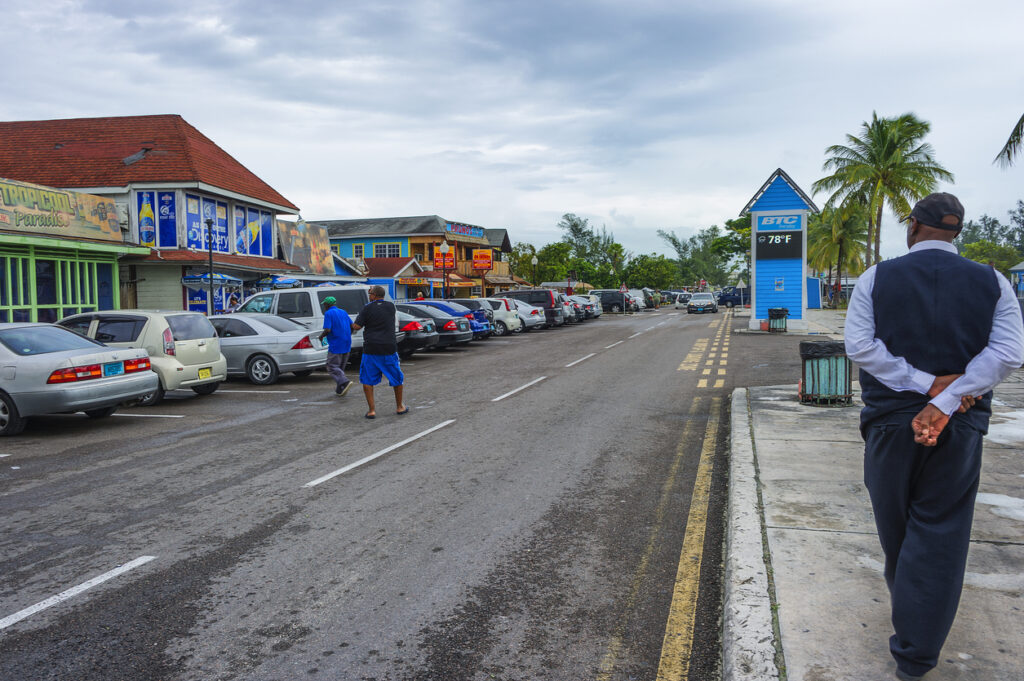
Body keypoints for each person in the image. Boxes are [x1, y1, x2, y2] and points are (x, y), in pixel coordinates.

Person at [844, 193, 1024, 680]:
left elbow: (860, 345)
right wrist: (950, 395)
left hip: (889, 424)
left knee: (898, 532)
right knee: (940, 534)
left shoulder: (877, 277)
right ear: (956, 232)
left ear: (913, 227)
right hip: (961, 425)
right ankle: (915, 652)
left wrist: (929, 390)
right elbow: (1008, 354)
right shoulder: (994, 282)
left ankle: (914, 639)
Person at [351, 285, 407, 418]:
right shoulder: (390, 307)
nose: (369, 295)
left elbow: (357, 326)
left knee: (367, 379)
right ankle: (399, 406)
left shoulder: (367, 308)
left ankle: (372, 411)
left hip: (371, 348)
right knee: (397, 377)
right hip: (388, 348)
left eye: (370, 293)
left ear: (374, 295)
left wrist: (350, 325)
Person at [318, 296, 353, 397]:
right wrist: (347, 335)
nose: (324, 306)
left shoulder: (328, 313)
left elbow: (328, 329)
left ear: (327, 304)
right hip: (346, 342)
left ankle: (344, 382)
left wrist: (321, 337)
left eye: (324, 304)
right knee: (340, 368)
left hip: (336, 343)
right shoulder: (343, 312)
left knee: (332, 366)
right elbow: (352, 326)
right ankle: (340, 388)